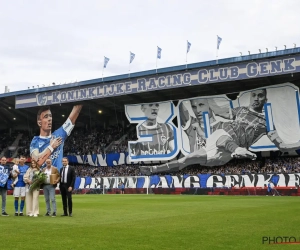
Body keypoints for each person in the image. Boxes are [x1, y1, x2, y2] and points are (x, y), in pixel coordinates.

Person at [140, 89, 299, 174]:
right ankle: (153, 169)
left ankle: (236, 150)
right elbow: (218, 110)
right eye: (254, 95)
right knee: (186, 159)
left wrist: (297, 143)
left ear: (265, 99)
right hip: (220, 140)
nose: (256, 98)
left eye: (260, 96)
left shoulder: (266, 123)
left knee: (218, 141)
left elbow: (283, 147)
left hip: (225, 153)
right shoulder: (241, 110)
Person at [30, 104, 82, 170]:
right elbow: (36, 163)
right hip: (43, 178)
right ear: (39, 122)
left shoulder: (58, 135)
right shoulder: (35, 141)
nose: (49, 119)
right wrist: (51, 147)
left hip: (58, 178)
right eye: (46, 117)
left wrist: (80, 101)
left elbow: (72, 119)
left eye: (50, 116)